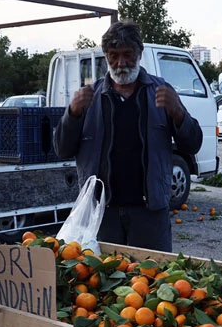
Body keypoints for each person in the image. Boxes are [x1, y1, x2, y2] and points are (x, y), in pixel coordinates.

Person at [53, 20, 202, 253]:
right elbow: (61, 149)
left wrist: (178, 113)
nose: (121, 63)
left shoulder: (161, 92)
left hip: (150, 214)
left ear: (139, 53)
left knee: (153, 280)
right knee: (101, 282)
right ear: (106, 56)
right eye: (113, 56)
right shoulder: (89, 98)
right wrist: (72, 114)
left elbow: (193, 144)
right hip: (101, 213)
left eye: (127, 54)